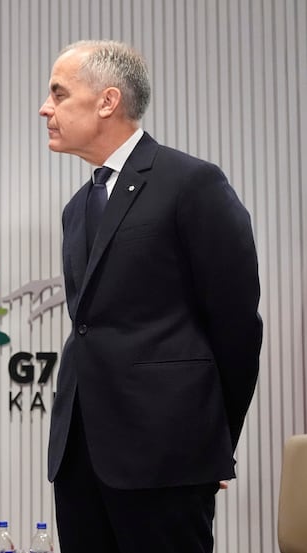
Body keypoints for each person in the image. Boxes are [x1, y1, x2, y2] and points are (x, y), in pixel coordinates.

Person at [38, 40, 262, 553]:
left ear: (107, 101)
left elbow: (236, 327)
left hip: (167, 457)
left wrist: (211, 440)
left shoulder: (192, 184)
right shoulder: (77, 208)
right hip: (80, 458)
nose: (45, 108)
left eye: (58, 93)